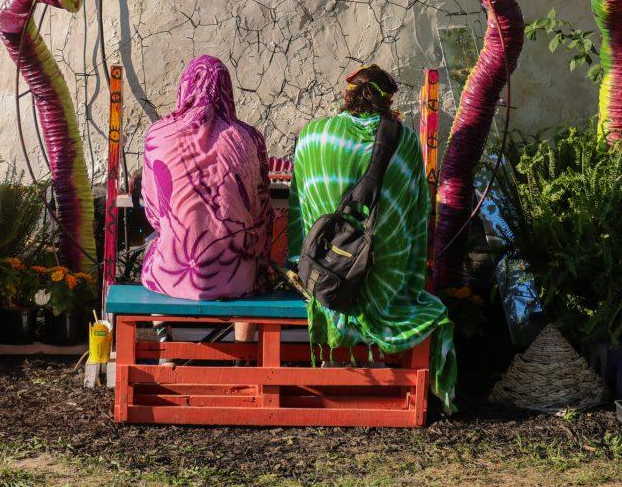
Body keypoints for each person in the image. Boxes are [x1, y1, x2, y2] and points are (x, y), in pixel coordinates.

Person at [287, 64, 457, 412]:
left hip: (325, 279)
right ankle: (377, 360)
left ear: (348, 95)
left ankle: (335, 356)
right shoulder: (407, 141)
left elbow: (299, 209)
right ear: (388, 100)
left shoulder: (313, 135)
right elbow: (416, 214)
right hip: (383, 278)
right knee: (416, 297)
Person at [141, 55, 274, 301]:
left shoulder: (157, 135)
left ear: (185, 87)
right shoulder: (250, 138)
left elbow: (154, 214)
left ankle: (162, 334)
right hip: (237, 276)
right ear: (227, 89)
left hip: (171, 274)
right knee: (254, 259)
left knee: (155, 250)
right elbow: (261, 211)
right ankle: (243, 340)